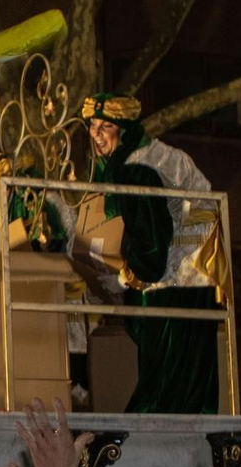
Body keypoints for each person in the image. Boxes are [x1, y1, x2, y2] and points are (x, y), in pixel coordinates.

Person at [71, 93, 222, 413]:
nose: (96, 135)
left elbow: (152, 246)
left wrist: (126, 275)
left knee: (166, 381)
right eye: (92, 126)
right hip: (196, 275)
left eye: (106, 126)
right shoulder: (152, 154)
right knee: (189, 379)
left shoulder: (135, 170)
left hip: (176, 280)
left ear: (123, 130)